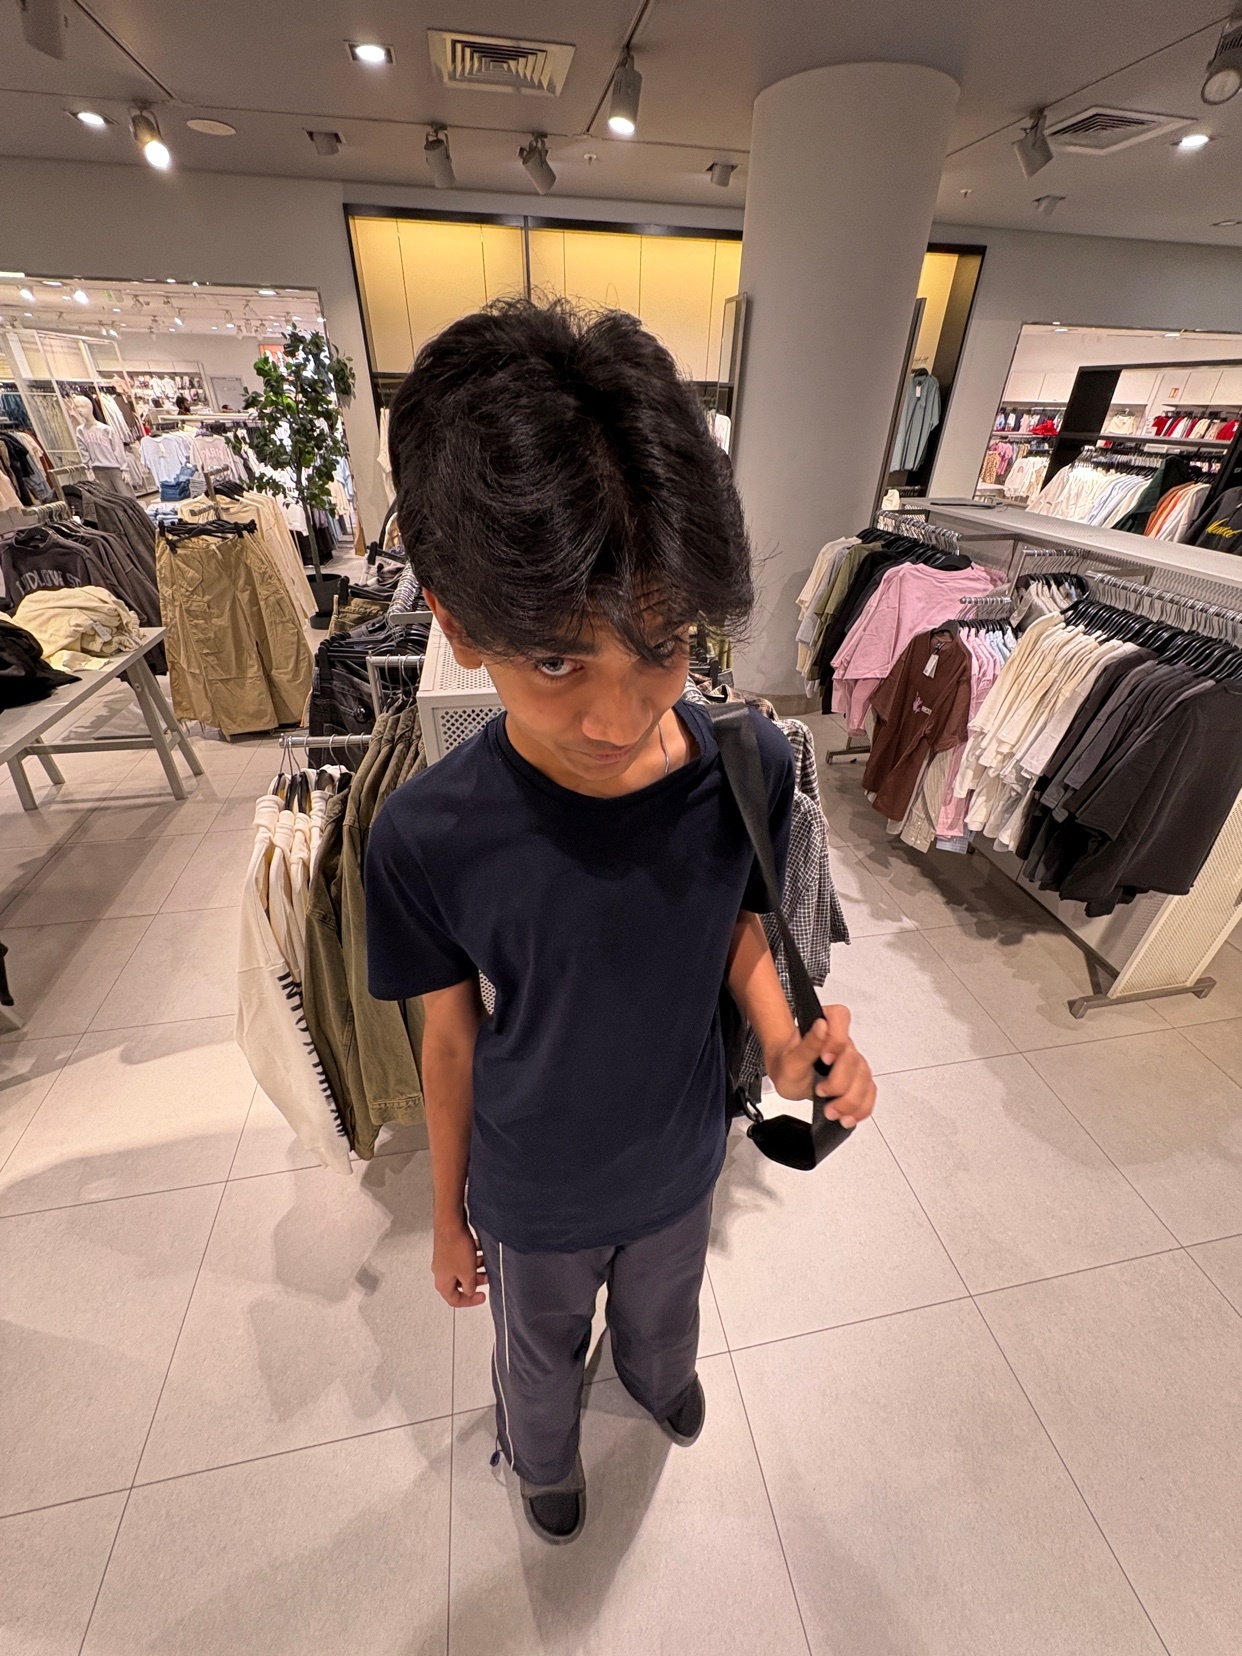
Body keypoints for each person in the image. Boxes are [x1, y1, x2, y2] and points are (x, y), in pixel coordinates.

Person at [366, 298, 876, 1545]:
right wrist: (447, 1213)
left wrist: (791, 1041)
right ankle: (542, 1461)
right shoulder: (427, 834)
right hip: (530, 1188)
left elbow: (738, 930)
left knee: (666, 1310)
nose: (619, 712)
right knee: (537, 1352)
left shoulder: (747, 766)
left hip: (681, 1155)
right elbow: (448, 1040)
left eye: (663, 644)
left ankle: (654, 1380)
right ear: (456, 622)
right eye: (556, 663)